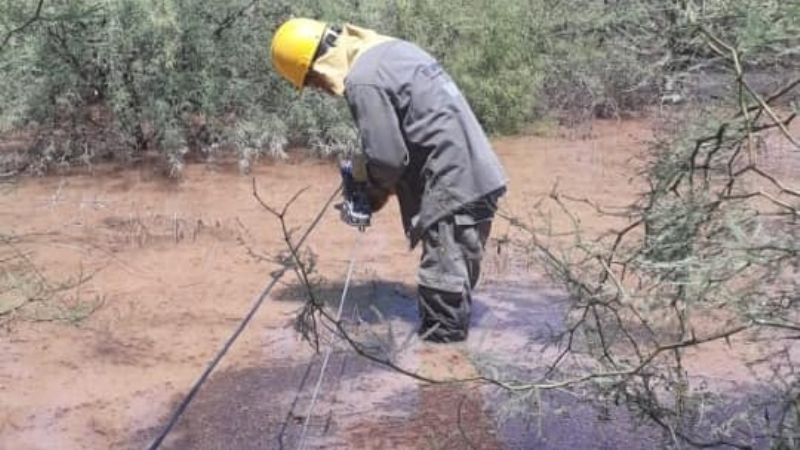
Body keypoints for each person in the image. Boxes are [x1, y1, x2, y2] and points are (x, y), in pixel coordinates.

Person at [270, 18, 507, 343]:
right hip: (477, 175)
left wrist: (369, 194)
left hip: (452, 187)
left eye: (311, 83)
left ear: (316, 66)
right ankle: (460, 376)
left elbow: (387, 160)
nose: (321, 91)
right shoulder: (394, 50)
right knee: (457, 282)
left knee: (442, 300)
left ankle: (442, 380)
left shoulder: (363, 79)